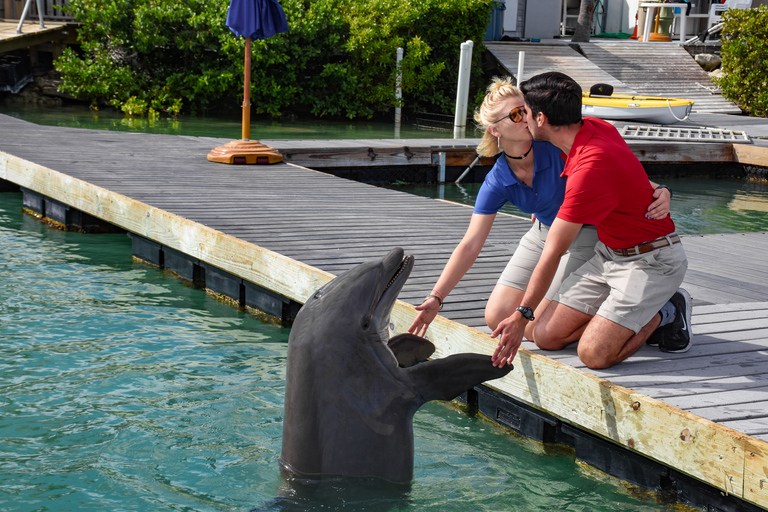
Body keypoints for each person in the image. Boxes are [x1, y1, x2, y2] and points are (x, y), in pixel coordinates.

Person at [408, 76, 671, 341]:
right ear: (495, 130)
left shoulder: (555, 146)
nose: (525, 117)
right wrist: (436, 297)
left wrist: (659, 187)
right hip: (542, 233)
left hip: (584, 236)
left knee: (536, 330)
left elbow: (612, 168)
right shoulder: (498, 179)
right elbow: (471, 244)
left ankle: (645, 314)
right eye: (514, 114)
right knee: (496, 315)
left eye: (526, 110)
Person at [491, 71, 692, 370]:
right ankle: (625, 316)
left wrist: (521, 315)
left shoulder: (589, 169)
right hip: (608, 255)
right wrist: (663, 189)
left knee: (594, 355)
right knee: (543, 335)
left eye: (526, 114)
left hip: (652, 262)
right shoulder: (596, 128)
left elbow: (553, 251)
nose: (523, 121)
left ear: (542, 119)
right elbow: (633, 180)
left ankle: (666, 310)